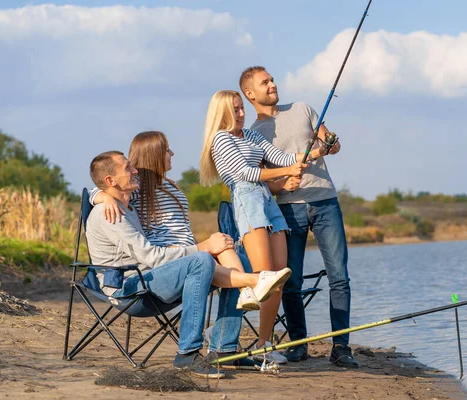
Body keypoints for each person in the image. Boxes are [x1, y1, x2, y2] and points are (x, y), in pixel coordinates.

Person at [86, 150, 290, 377]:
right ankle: (187, 354)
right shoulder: (109, 214)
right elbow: (152, 257)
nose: (135, 170)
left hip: (149, 280)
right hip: (129, 291)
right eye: (127, 168)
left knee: (240, 260)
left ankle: (223, 349)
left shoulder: (127, 206)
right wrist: (203, 247)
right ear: (110, 181)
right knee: (201, 260)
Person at [239, 66, 359, 368]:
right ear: (250, 93)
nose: (272, 84)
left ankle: (341, 347)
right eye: (265, 82)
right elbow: (263, 180)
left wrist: (329, 144)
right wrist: (283, 183)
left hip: (325, 201)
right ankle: (297, 344)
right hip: (288, 208)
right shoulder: (253, 133)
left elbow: (332, 144)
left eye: (272, 79)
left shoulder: (303, 108)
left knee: (339, 277)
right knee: (289, 281)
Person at [199, 90, 326, 364]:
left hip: (268, 200)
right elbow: (246, 173)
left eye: (242, 108)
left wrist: (313, 153)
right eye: (236, 109)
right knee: (264, 276)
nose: (242, 114)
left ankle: (263, 344)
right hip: (247, 198)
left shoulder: (250, 136)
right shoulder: (220, 140)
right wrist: (285, 173)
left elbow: (280, 158)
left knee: (278, 279)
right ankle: (218, 333)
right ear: (222, 113)